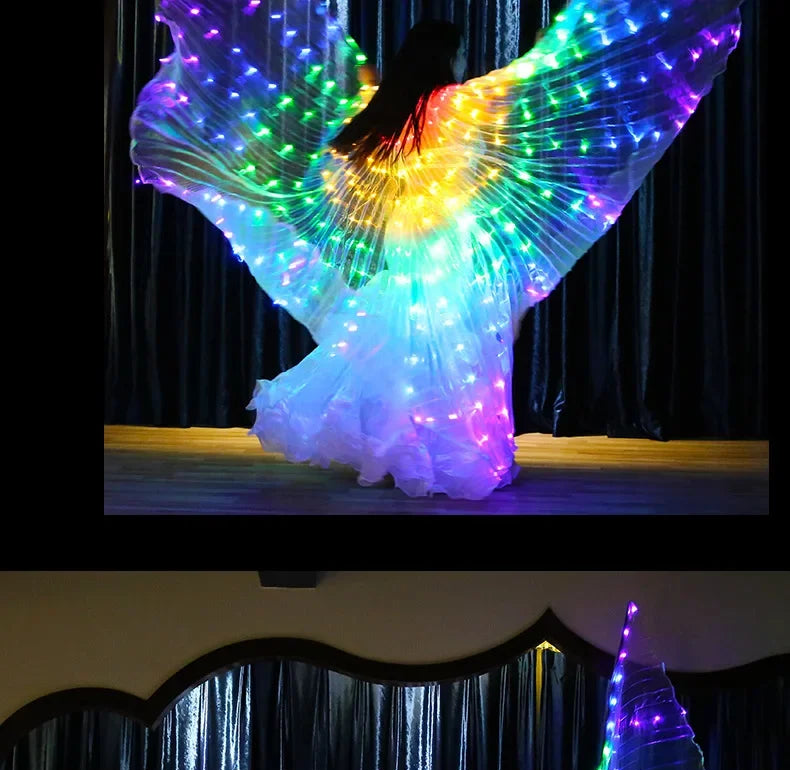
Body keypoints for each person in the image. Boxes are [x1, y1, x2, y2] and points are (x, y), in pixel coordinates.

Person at [129, 2, 743, 500]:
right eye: (459, 55)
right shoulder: (458, 105)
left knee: (403, 340)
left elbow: (338, 174)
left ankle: (399, 449)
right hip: (448, 236)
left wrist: (383, 208)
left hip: (404, 235)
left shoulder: (381, 114)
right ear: (447, 57)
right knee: (452, 347)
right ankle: (439, 454)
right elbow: (501, 132)